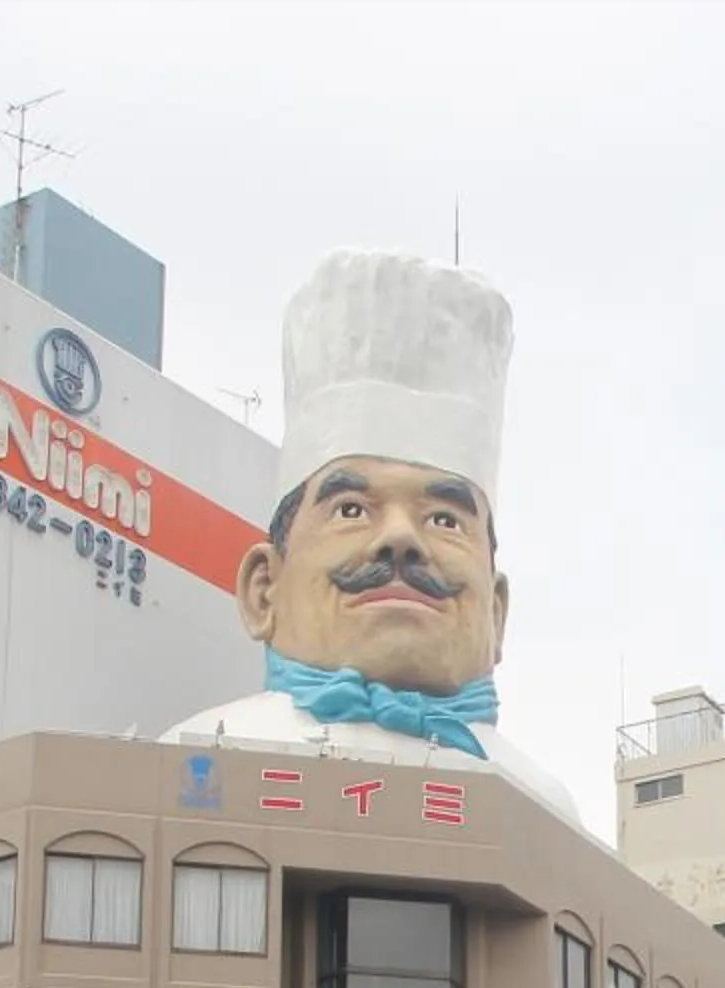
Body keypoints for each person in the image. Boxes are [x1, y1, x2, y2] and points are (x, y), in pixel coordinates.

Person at [162, 250, 581, 824]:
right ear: (264, 589)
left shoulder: (541, 808)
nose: (401, 540)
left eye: (444, 520)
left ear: (498, 613)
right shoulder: (198, 758)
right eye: (352, 509)